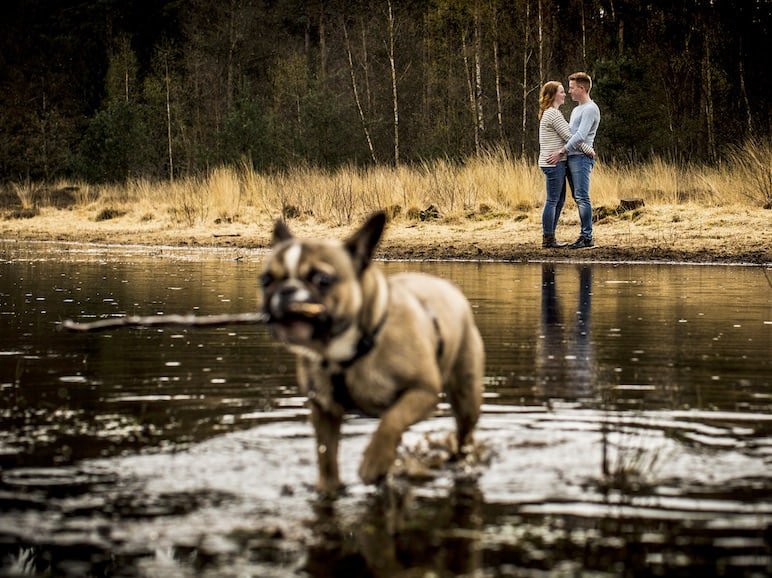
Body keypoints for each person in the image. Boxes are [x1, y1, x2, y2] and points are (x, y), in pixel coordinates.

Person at [547, 71, 601, 249]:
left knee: (582, 197)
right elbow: (569, 133)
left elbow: (580, 136)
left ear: (582, 88)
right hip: (571, 158)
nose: (569, 91)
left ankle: (587, 237)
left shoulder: (591, 109)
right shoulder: (577, 109)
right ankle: (582, 236)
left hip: (581, 159)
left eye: (572, 88)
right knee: (575, 197)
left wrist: (562, 150)